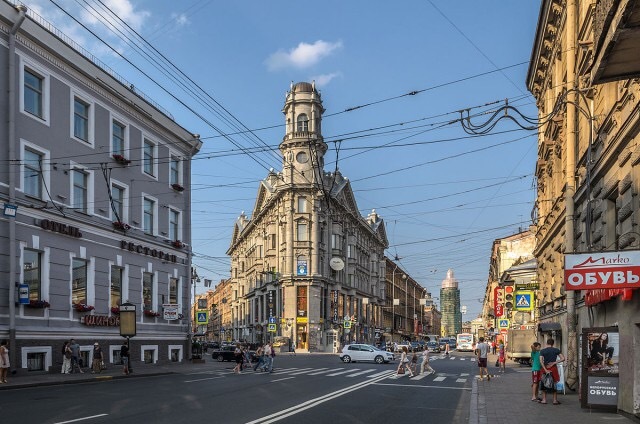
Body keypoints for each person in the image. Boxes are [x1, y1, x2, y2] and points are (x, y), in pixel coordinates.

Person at [539, 338, 565, 405]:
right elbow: (563, 358)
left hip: (544, 368)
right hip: (553, 369)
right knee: (554, 383)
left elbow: (541, 361)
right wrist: (554, 363)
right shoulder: (556, 350)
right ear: (553, 344)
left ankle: (544, 400)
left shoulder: (542, 351)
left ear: (546, 343)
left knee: (543, 384)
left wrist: (545, 369)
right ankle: (555, 400)